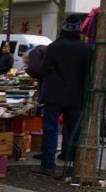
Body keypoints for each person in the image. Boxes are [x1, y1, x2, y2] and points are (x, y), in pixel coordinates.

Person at [34, 14, 91, 177]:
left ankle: (48, 164)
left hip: (54, 94)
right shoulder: (86, 49)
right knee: (73, 129)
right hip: (76, 96)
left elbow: (42, 70)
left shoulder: (55, 46)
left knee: (51, 129)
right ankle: (70, 160)